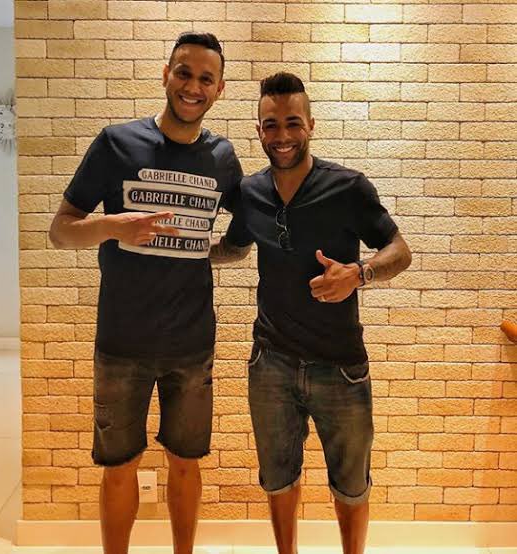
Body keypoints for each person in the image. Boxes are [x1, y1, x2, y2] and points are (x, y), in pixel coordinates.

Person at [49, 32, 249, 554]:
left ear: (219, 89)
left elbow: (244, 233)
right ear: (166, 74)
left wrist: (204, 250)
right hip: (121, 344)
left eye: (205, 78)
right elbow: (60, 230)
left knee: (186, 462)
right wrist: (112, 226)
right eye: (184, 72)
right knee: (119, 467)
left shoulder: (223, 157)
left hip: (192, 345)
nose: (192, 86)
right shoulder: (116, 143)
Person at [213, 72, 412, 554]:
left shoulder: (348, 187)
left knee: (352, 485)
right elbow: (235, 248)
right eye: (271, 125)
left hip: (340, 366)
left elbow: (400, 250)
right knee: (278, 478)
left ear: (311, 125)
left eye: (292, 123)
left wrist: (359, 274)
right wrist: (182, 252)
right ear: (259, 130)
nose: (282, 135)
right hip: (271, 363)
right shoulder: (249, 192)